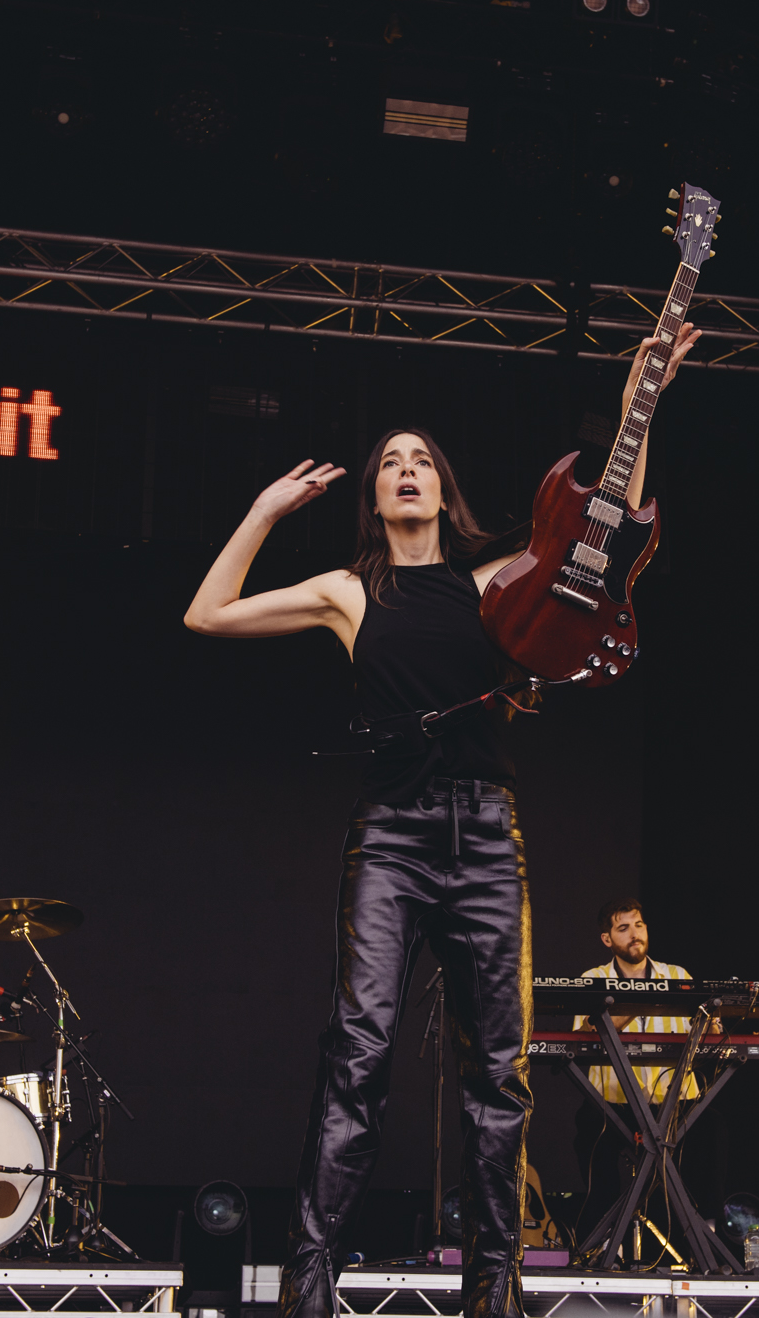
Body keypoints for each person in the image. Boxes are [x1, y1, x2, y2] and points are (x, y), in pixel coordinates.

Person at [182, 323, 702, 1318]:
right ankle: (308, 1283)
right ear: (376, 496)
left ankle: (492, 1291)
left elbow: (605, 529)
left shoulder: (496, 581)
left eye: (421, 459)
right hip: (390, 837)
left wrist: (640, 397)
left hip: (487, 839)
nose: (407, 470)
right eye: (391, 462)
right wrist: (263, 510)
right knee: (357, 1054)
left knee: (499, 1075)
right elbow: (207, 612)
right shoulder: (347, 593)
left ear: (442, 487)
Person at [569, 897, 718, 1239]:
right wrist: (640, 1001)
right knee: (589, 1128)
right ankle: (602, 1237)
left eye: (639, 925)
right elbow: (585, 1036)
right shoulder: (594, 978)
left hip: (677, 1104)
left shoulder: (677, 976)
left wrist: (713, 1024)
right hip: (615, 1105)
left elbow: (709, 1034)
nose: (634, 934)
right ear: (607, 939)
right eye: (623, 928)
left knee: (711, 1126)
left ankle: (706, 1231)